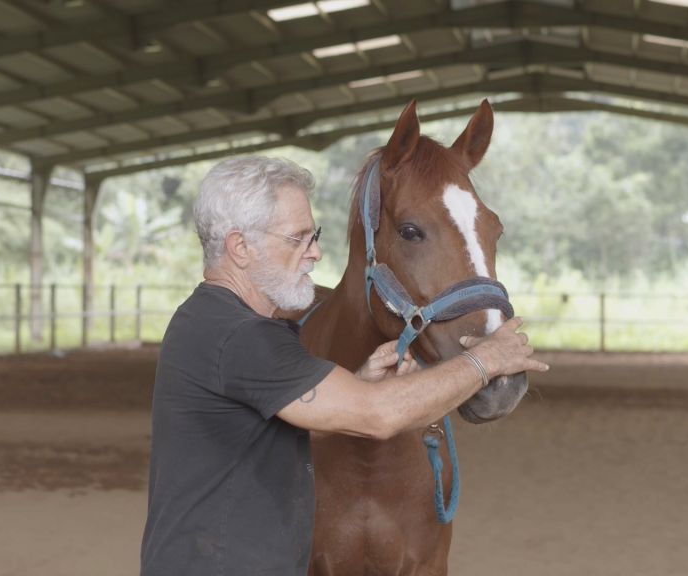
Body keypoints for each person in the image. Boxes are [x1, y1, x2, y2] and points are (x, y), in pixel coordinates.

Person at [139, 156, 547, 576]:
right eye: (297, 238)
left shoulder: (221, 320)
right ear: (241, 248)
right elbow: (378, 416)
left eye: (312, 235)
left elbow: (270, 428)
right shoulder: (240, 337)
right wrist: (485, 359)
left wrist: (354, 383)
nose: (315, 252)